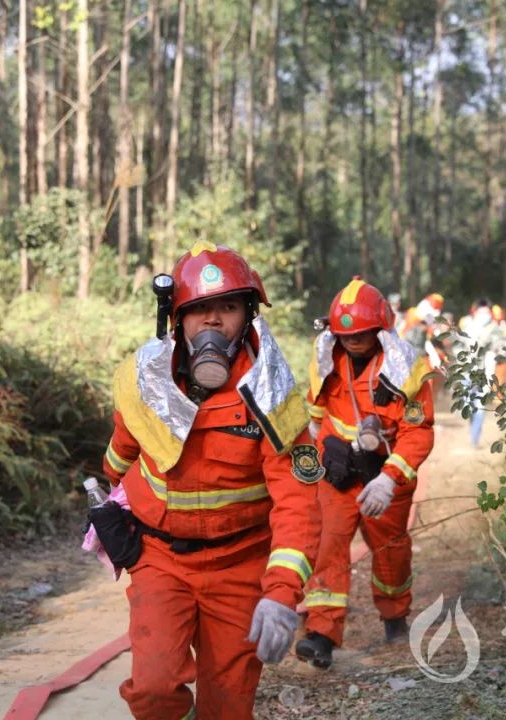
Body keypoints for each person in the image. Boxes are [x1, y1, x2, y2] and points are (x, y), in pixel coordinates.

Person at [99, 242, 322, 719]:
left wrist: (281, 593)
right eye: (200, 309)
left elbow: (298, 503)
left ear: (249, 316)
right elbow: (122, 448)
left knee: (227, 706)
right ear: (177, 319)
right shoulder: (145, 381)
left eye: (228, 307)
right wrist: (109, 494)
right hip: (160, 560)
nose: (214, 321)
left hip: (240, 566)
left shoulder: (273, 397)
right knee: (155, 691)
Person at [294, 277, 437, 669]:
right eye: (346, 334)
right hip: (338, 471)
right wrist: (309, 458)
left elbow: (417, 431)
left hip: (385, 474)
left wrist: (390, 478)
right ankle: (321, 634)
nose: (353, 341)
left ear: (379, 329)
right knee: (327, 546)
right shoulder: (327, 360)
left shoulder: (409, 369)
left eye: (360, 333)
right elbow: (315, 414)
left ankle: (394, 616)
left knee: (390, 552)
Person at [469, 303, 506, 447]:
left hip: (491, 368)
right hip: (469, 373)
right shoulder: (468, 326)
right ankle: (473, 429)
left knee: (480, 404)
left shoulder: (498, 330)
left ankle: (474, 438)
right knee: (470, 403)